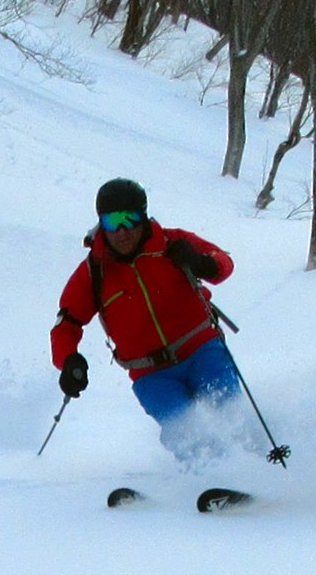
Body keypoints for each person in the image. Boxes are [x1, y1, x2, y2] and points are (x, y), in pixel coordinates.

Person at [50, 178, 248, 466]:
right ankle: (211, 477)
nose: (122, 230)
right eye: (112, 221)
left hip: (203, 352)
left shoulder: (172, 243)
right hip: (152, 376)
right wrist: (68, 361)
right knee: (186, 433)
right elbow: (66, 323)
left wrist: (200, 263)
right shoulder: (94, 272)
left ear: (143, 217)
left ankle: (254, 467)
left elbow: (223, 262)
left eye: (130, 219)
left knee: (230, 413)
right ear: (101, 224)